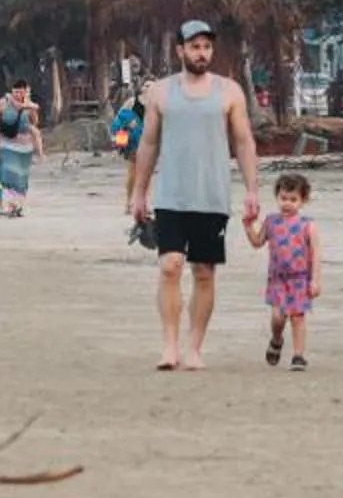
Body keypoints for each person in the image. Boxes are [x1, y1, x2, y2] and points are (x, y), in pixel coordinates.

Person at [127, 19, 262, 370]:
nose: (201, 53)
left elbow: (244, 141)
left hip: (212, 196)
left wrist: (252, 190)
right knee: (170, 266)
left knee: (204, 271)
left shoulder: (230, 91)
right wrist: (139, 193)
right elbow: (149, 143)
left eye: (206, 47)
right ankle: (169, 345)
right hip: (172, 196)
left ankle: (194, 347)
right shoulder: (161, 93)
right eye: (194, 47)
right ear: (180, 50)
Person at [245, 170, 322, 368]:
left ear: (303, 201)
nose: (287, 203)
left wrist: (315, 280)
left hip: (299, 278)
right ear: (277, 197)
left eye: (293, 199)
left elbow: (315, 254)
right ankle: (276, 339)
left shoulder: (308, 225)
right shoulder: (271, 221)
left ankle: (298, 355)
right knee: (278, 318)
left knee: (298, 317)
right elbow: (257, 242)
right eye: (283, 198)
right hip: (277, 279)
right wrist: (248, 225)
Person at [0, 81, 42, 218]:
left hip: (24, 149)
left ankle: (18, 206)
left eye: (21, 91)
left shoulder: (29, 105)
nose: (18, 94)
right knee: (7, 175)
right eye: (15, 91)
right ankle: (11, 205)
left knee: (21, 179)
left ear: (25, 91)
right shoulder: (3, 103)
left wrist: (29, 108)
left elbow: (35, 122)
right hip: (7, 146)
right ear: (11, 91)